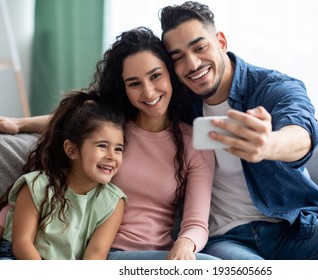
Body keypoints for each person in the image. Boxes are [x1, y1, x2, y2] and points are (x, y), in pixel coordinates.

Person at [158, 1, 318, 259]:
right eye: (178, 57)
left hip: (293, 227)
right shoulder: (177, 102)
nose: (191, 64)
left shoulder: (272, 87)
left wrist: (269, 144)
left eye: (200, 47)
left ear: (221, 41)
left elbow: (302, 130)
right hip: (228, 237)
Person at [0, 27, 217, 260]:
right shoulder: (114, 129)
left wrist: (185, 244)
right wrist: (20, 124)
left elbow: (196, 223)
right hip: (102, 252)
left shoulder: (194, 143)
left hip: (158, 253)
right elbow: (72, 120)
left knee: (212, 267)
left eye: (155, 76)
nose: (149, 91)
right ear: (123, 87)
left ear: (170, 74)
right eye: (134, 83)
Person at [0, 90, 127, 260]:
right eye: (102, 146)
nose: (112, 155)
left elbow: (96, 254)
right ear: (72, 150)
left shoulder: (114, 202)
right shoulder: (36, 184)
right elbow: (22, 243)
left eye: (118, 149)